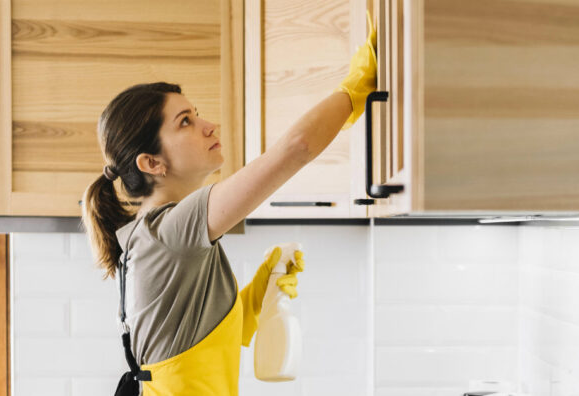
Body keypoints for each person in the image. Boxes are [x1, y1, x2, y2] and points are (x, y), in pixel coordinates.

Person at [80, 13, 377, 396]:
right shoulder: (168, 231)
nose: (209, 125)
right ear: (152, 163)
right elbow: (295, 149)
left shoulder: (160, 236)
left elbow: (202, 345)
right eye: (186, 121)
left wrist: (257, 294)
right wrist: (356, 91)